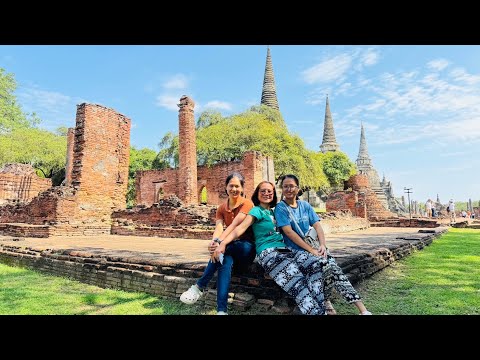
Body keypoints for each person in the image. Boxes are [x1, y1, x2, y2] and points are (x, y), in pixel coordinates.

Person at [214, 181, 329, 315]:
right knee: (296, 279)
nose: (267, 193)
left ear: (274, 194)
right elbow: (240, 228)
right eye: (263, 191)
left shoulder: (274, 212)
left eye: (270, 191)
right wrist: (222, 242)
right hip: (269, 252)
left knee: (314, 263)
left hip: (284, 250)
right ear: (257, 193)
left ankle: (320, 307)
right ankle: (315, 311)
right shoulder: (256, 211)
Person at [274, 174, 371, 315]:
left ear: (298, 188)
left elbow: (318, 226)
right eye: (285, 186)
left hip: (313, 248)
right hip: (295, 251)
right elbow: (289, 233)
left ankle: (361, 309)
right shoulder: (281, 208)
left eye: (291, 186)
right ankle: (357, 308)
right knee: (327, 265)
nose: (288, 189)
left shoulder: (305, 206)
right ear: (282, 189)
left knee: (331, 265)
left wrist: (323, 246)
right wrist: (311, 251)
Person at [179, 172, 256, 315]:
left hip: (246, 247)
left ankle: (199, 286)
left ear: (242, 188)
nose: (234, 189)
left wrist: (220, 244)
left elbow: (234, 225)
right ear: (226, 187)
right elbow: (219, 228)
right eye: (231, 186)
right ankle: (221, 310)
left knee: (224, 251)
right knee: (224, 262)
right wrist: (214, 243)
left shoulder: (247, 204)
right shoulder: (221, 208)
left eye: (237, 186)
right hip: (228, 246)